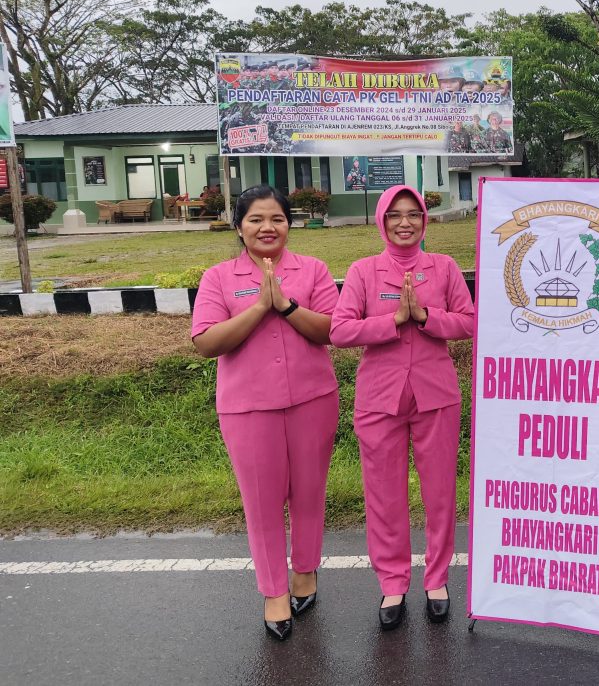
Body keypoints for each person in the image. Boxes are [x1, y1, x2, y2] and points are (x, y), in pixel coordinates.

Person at [190, 185, 339, 642]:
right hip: (248, 407)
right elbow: (206, 342)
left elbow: (331, 329)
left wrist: (287, 305)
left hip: (313, 400)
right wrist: (260, 306)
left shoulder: (312, 270)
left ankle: (305, 571)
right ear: (239, 227)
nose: (267, 227)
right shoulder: (219, 277)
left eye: (276, 218)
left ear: (289, 224)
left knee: (309, 492)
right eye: (255, 219)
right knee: (261, 501)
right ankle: (274, 591)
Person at [330, 185, 474, 631]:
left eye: (414, 214)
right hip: (380, 398)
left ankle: (436, 578)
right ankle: (392, 582)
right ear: (381, 221)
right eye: (395, 215)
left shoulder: (445, 267)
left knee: (439, 492)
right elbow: (340, 330)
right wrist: (392, 321)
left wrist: (428, 319)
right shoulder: (363, 271)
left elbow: (469, 321)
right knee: (384, 494)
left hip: (435, 394)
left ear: (425, 221)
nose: (405, 222)